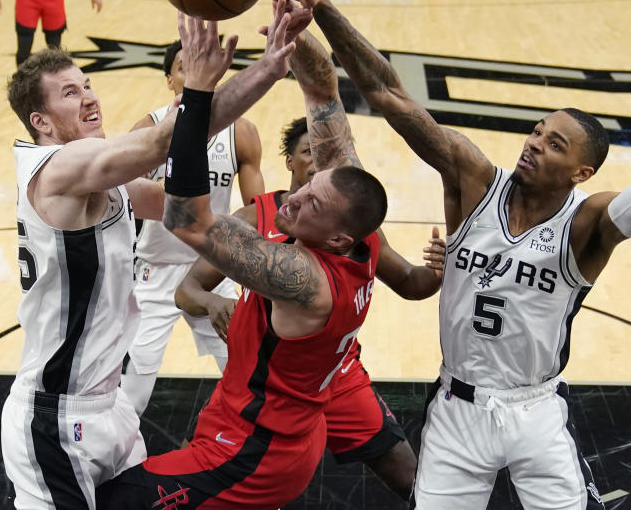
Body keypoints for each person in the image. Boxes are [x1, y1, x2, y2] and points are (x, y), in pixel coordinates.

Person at [269, 0, 631, 509]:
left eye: (555, 144)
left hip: (535, 411)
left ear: (581, 173)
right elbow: (387, 92)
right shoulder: (474, 181)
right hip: (457, 408)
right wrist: (326, 10)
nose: (535, 143)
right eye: (537, 131)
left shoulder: (586, 224)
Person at [95, 0, 394, 509]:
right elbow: (323, 90)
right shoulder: (358, 225)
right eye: (308, 184)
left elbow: (187, 217)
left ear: (338, 238)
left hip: (252, 454)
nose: (293, 196)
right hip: (277, 435)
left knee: (112, 500)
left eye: (311, 203)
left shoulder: (302, 276)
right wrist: (296, 32)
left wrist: (198, 91)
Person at [1, 0, 299, 510]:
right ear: (42, 122)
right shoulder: (56, 168)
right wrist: (216, 83)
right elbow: (169, 138)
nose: (89, 98)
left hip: (108, 409)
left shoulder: (102, 176)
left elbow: (186, 215)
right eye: (70, 93)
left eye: (87, 84)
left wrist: (282, 223)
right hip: (54, 416)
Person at [175, 112, 447, 500]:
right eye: (308, 153)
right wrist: (211, 300)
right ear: (289, 161)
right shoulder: (254, 217)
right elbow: (186, 289)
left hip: (336, 374)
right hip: (267, 381)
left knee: (407, 474)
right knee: (208, 475)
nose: (318, 162)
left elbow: (408, 282)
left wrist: (437, 270)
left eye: (324, 156)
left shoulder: (354, 224)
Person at [120, 39, 266, 417]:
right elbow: (116, 202)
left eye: (203, 65)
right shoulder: (148, 130)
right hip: (155, 271)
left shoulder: (241, 132)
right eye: (185, 67)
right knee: (132, 391)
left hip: (211, 272)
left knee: (244, 373)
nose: (196, 74)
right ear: (169, 79)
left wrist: (248, 268)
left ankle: (245, 452)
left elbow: (257, 213)